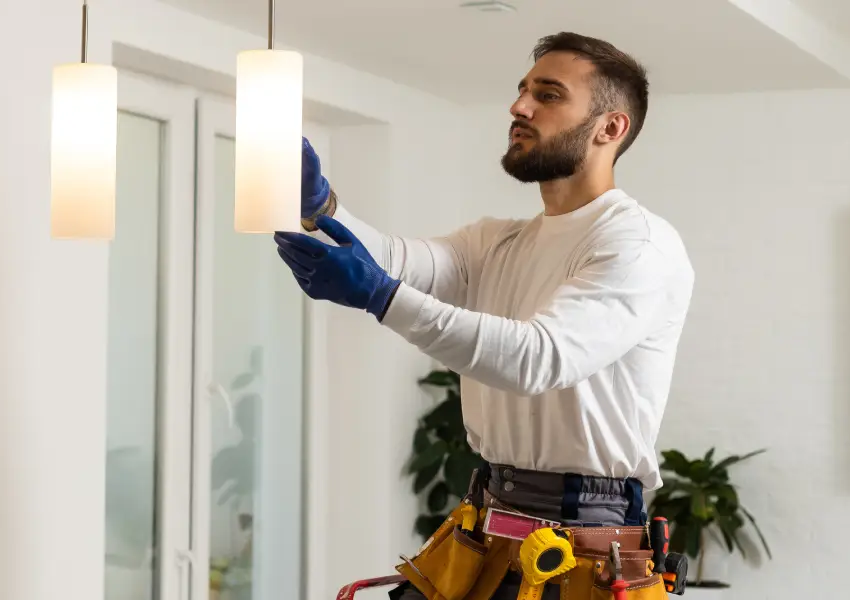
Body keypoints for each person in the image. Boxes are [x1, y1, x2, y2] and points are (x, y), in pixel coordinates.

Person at [274, 32, 695, 599]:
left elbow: (539, 359)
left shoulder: (638, 244)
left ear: (610, 128)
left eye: (547, 95)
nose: (518, 107)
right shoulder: (499, 241)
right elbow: (395, 262)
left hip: (587, 550)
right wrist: (321, 207)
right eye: (522, 91)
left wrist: (380, 297)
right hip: (490, 527)